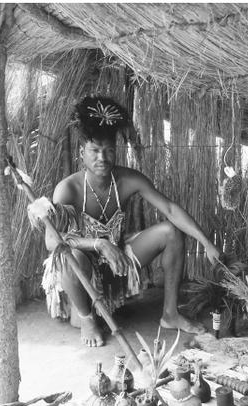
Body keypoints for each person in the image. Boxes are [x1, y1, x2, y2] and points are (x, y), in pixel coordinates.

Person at [42, 95, 220, 347]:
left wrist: (206, 243)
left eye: (109, 150)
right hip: (82, 274)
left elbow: (169, 208)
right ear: (82, 153)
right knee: (68, 255)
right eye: (94, 150)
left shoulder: (127, 180)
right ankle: (86, 316)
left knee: (171, 231)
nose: (102, 157)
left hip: (117, 266)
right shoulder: (68, 188)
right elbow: (52, 241)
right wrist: (99, 244)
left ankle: (170, 314)